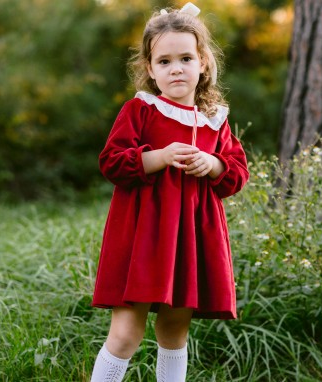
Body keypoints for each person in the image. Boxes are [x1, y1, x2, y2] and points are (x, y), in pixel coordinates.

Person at [90, 3, 249, 381]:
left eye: (185, 58)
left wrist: (213, 165)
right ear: (149, 69)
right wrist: (157, 157)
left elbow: (237, 172)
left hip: (189, 241)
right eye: (163, 61)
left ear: (203, 63)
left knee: (175, 331)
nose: (175, 68)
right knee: (126, 333)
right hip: (142, 239)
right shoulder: (140, 110)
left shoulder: (215, 120)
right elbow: (111, 162)